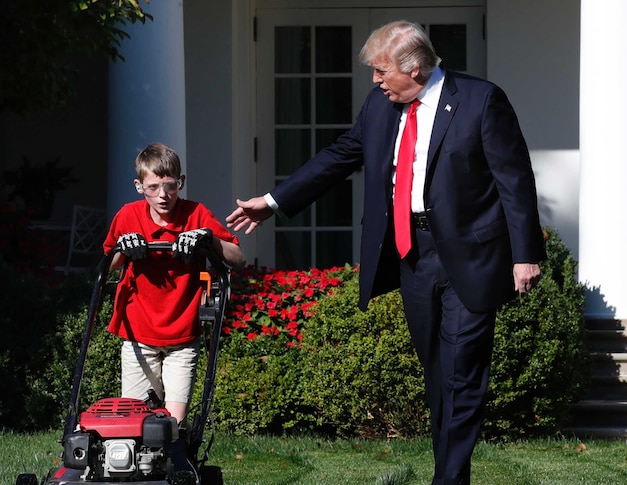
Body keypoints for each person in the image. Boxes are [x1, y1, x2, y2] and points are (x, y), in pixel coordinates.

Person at [226, 20, 545, 485]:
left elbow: (514, 180)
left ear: (413, 68)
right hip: (410, 253)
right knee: (437, 373)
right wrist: (274, 202)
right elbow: (340, 155)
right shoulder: (380, 106)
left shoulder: (480, 100)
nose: (375, 81)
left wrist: (525, 254)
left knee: (462, 372)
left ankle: (449, 479)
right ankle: (450, 470)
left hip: (470, 256)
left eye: (381, 71)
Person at [104, 142, 246, 426]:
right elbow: (107, 265)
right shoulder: (128, 216)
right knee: (136, 421)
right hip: (138, 333)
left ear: (181, 182)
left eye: (170, 186)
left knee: (173, 425)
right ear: (139, 186)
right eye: (154, 187)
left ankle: (175, 467)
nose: (163, 195)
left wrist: (208, 239)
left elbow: (237, 258)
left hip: (183, 335)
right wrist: (123, 247)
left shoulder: (195, 214)